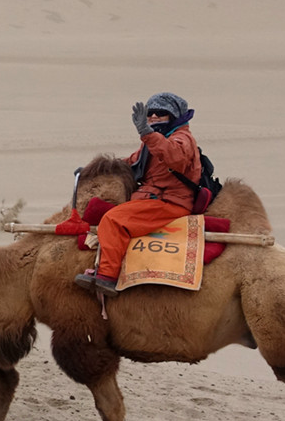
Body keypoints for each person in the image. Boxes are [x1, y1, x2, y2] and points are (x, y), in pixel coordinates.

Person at [75, 91, 201, 296]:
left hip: (169, 201)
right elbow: (131, 163)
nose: (153, 117)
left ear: (174, 116)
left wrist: (147, 133)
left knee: (113, 220)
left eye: (160, 113)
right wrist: (94, 170)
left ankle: (107, 276)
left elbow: (175, 157)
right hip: (150, 198)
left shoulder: (181, 139)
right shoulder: (153, 141)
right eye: (150, 113)